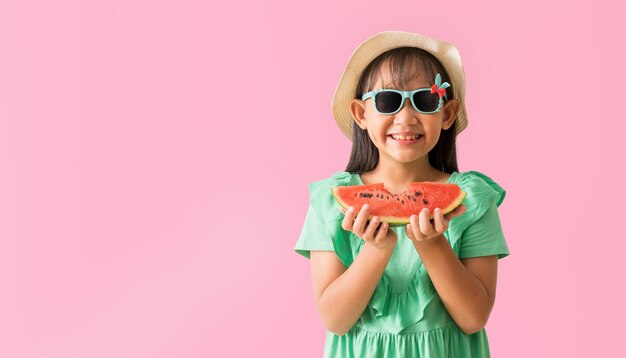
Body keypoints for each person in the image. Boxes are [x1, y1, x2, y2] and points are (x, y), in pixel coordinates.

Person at [294, 31, 510, 357]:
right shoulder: (330, 201)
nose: (406, 118)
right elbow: (335, 319)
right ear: (361, 114)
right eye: (387, 100)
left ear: (447, 114)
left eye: (425, 101)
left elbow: (473, 317)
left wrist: (432, 242)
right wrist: (376, 250)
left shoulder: (472, 200)